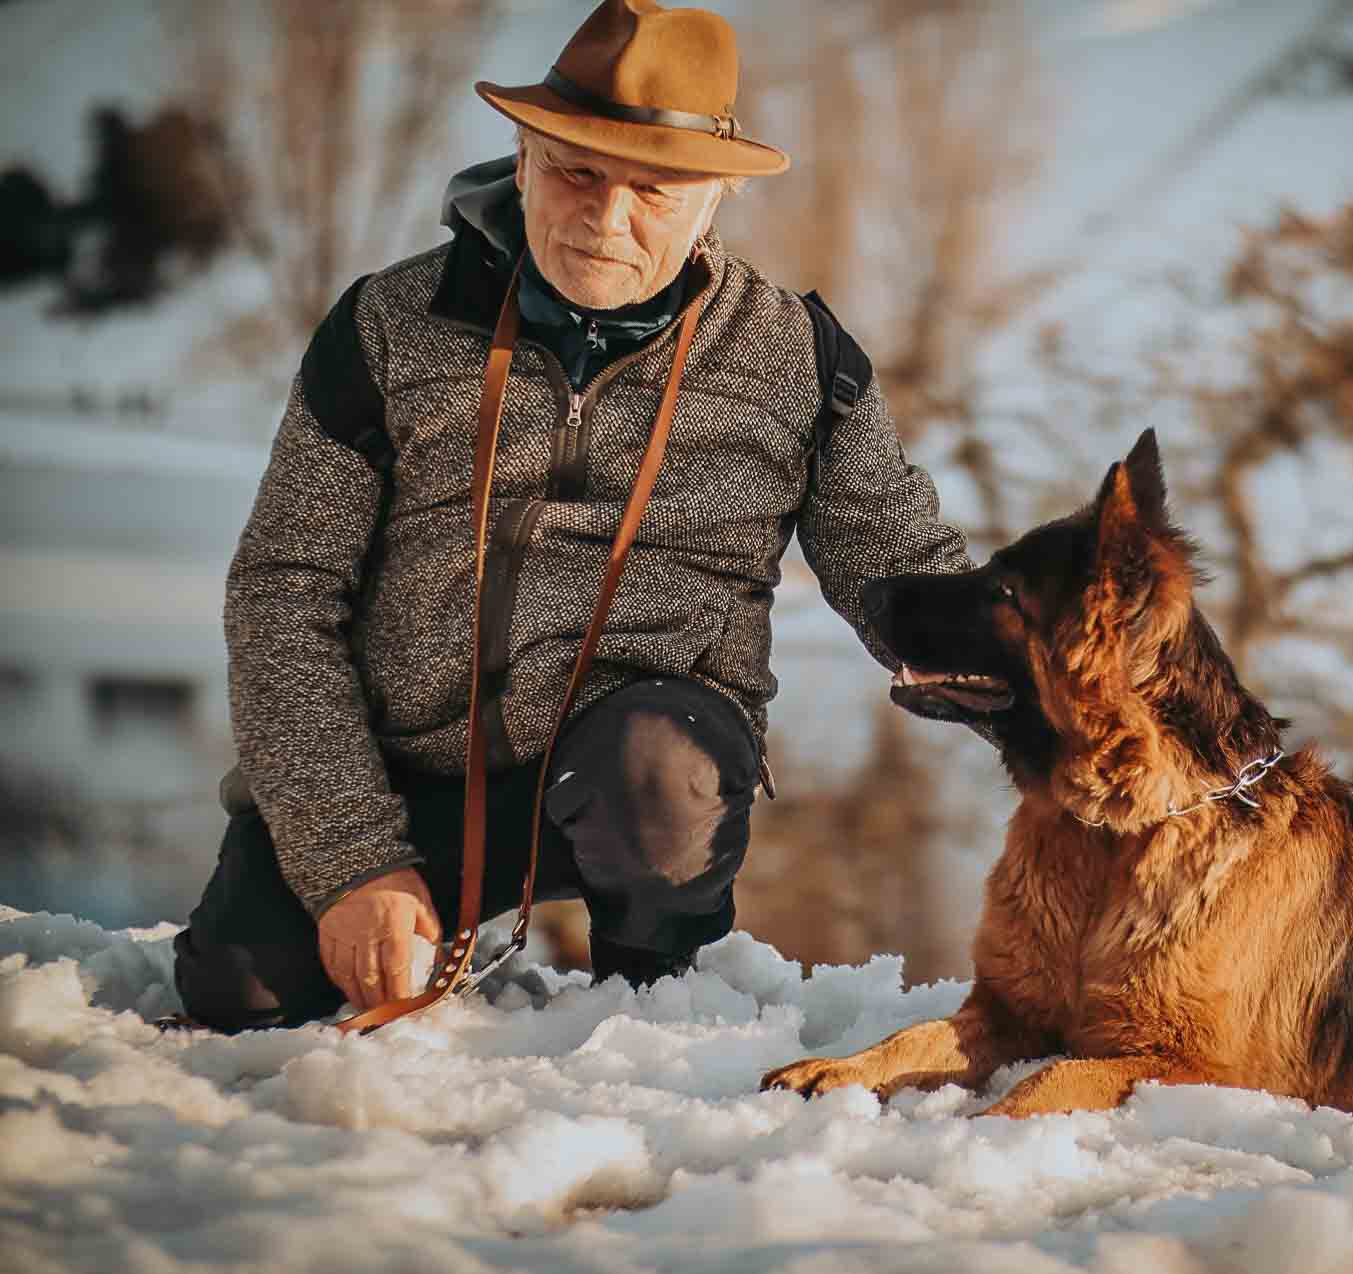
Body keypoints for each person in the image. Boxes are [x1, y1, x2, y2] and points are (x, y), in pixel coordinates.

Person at [172, 0, 970, 1030]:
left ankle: (651, 1005)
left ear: (719, 193)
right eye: (577, 171)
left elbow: (900, 565)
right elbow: (284, 592)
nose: (607, 217)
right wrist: (352, 861)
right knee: (239, 991)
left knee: (662, 763)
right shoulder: (387, 326)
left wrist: (1043, 679)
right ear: (522, 155)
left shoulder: (796, 357)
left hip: (642, 777)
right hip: (402, 771)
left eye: (655, 187)